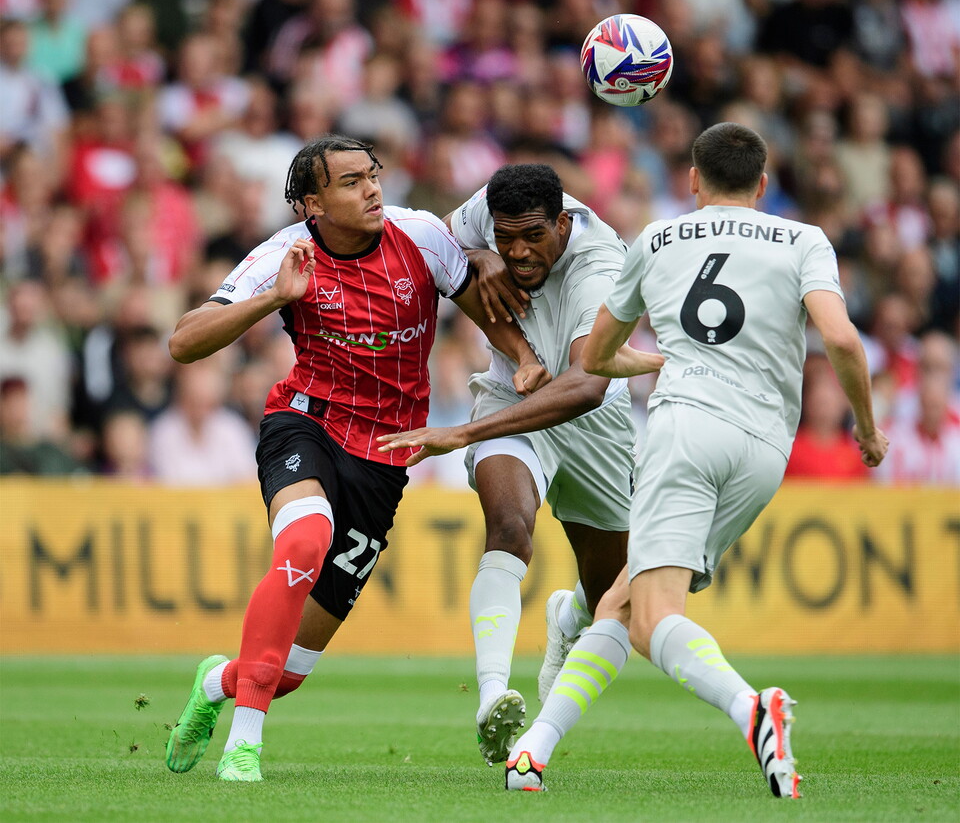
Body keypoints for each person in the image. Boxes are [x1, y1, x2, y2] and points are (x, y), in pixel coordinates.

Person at [502, 123, 889, 797]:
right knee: (623, 599)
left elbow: (593, 357)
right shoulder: (805, 241)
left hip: (686, 431)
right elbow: (842, 340)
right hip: (767, 449)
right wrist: (868, 427)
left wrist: (669, 357)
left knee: (652, 617)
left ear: (692, 180)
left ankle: (751, 709)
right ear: (763, 185)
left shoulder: (658, 237)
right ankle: (534, 751)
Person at [163, 134, 546, 782]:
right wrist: (272, 299)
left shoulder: (420, 236)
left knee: (286, 672)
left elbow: (479, 300)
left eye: (373, 175)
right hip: (305, 426)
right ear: (312, 204)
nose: (372, 189)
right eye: (350, 182)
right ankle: (244, 746)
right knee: (304, 543)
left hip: (384, 461)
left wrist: (527, 358)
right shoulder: (286, 255)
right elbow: (183, 342)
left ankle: (215, 683)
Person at [377, 163, 663, 765]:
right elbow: (439, 238)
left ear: (564, 222)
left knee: (610, 593)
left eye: (534, 236)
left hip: (592, 420)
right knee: (509, 527)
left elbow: (585, 385)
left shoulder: (601, 265)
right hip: (511, 394)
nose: (519, 251)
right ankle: (491, 699)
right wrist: (476, 255)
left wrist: (464, 432)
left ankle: (569, 616)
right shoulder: (493, 210)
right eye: (507, 238)